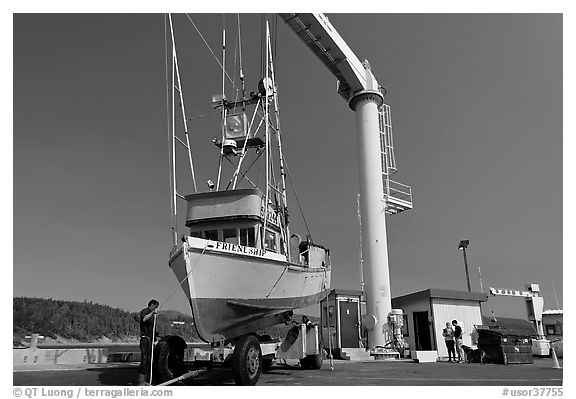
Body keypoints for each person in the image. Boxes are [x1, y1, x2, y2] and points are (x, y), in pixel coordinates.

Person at [137, 299, 159, 386]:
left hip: (150, 339)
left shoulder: (152, 315)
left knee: (150, 359)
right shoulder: (145, 311)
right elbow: (144, 319)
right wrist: (153, 312)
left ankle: (147, 379)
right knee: (145, 359)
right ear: (152, 305)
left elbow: (151, 329)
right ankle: (141, 381)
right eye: (156, 306)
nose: (157, 308)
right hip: (145, 339)